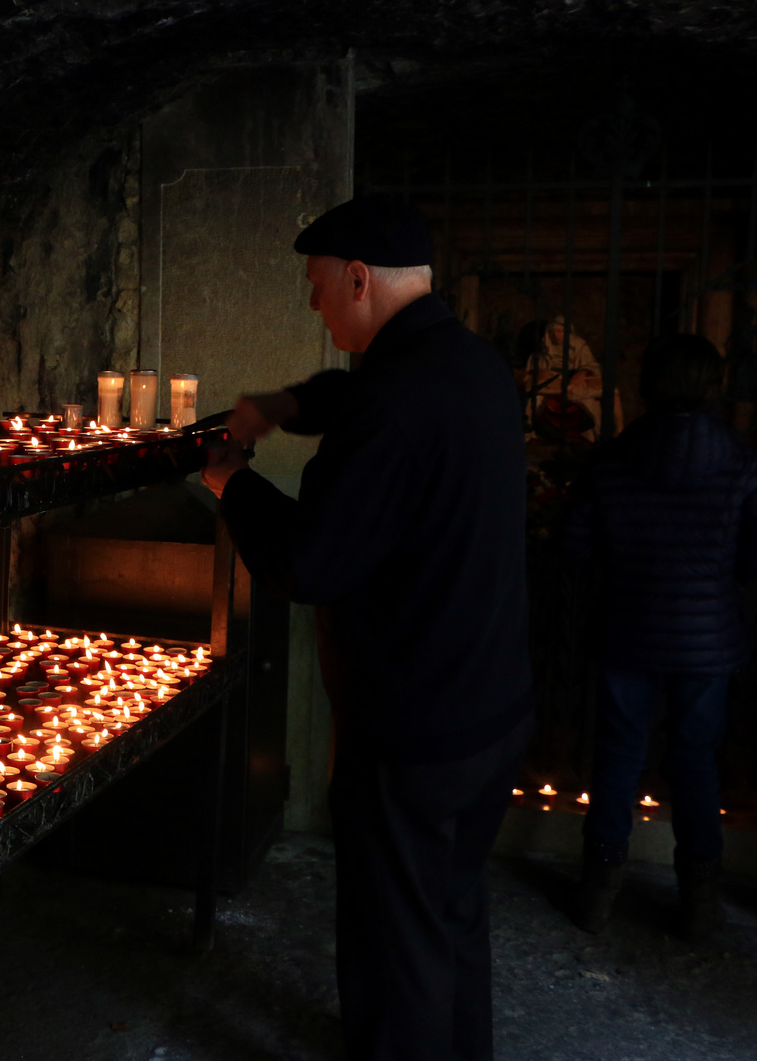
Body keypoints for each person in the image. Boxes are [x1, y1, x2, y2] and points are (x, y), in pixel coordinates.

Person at [202, 196, 532, 1061]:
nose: (313, 306)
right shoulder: (472, 367)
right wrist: (280, 401)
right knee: (449, 913)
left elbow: (312, 563)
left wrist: (231, 481)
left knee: (396, 947)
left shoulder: (393, 401)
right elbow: (354, 399)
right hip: (489, 708)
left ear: (357, 277)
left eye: (317, 287)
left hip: (413, 727)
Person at [561, 333, 757, 940]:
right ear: (713, 385)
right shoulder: (741, 462)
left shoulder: (612, 459)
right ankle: (699, 901)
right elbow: (751, 564)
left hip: (629, 631)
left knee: (618, 758)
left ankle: (598, 894)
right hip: (708, 640)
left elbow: (574, 547)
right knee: (696, 763)